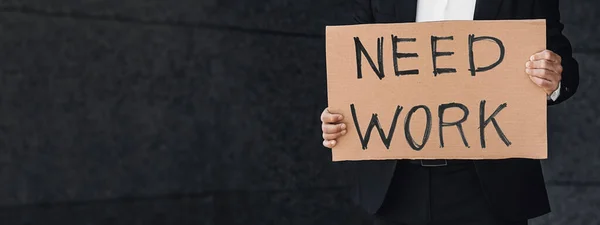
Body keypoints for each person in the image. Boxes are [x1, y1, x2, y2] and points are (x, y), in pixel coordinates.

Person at [320, 0, 579, 225]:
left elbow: (562, 62)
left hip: (489, 188)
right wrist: (340, 115)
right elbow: (357, 64)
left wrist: (553, 80)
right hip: (396, 186)